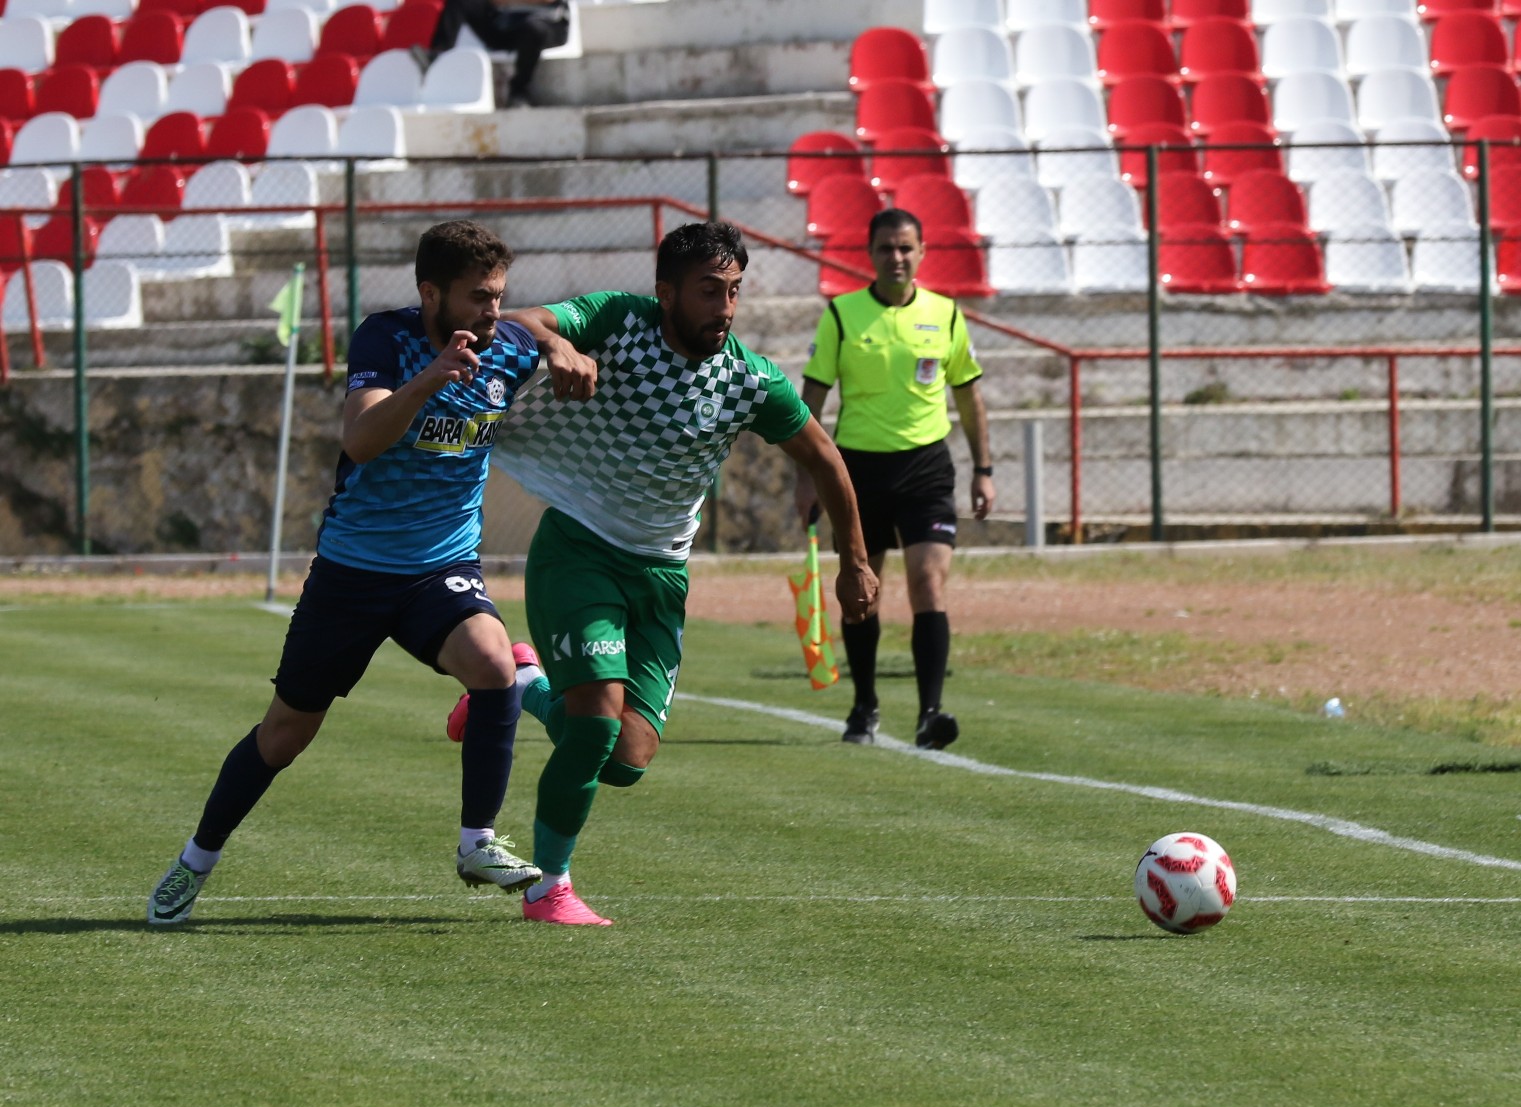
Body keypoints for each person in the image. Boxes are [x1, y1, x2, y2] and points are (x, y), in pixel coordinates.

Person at [454, 219, 879, 926]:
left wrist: (854, 562)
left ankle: (519, 685)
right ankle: (548, 887)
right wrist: (558, 346)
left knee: (626, 757)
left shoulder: (748, 378)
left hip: (660, 575)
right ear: (666, 292)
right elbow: (523, 321)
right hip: (579, 548)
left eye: (734, 290)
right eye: (709, 290)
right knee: (595, 726)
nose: (725, 306)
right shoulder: (620, 320)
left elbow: (824, 457)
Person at [147, 220, 544, 927]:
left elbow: (548, 324)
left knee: (494, 665)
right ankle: (195, 861)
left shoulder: (509, 346)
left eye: (498, 296)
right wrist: (428, 379)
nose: (492, 311)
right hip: (353, 572)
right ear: (431, 294)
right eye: (478, 297)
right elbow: (360, 440)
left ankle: (476, 843)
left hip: (440, 567)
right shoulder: (384, 338)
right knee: (284, 735)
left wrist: (563, 347)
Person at [796, 207, 994, 751]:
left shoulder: (946, 314)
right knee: (861, 593)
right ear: (870, 254)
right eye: (886, 248)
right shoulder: (842, 315)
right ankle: (864, 706)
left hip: (926, 469)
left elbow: (969, 396)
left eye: (906, 247)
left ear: (923, 252)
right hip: (857, 472)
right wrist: (808, 475)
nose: (897, 257)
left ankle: (930, 714)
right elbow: (811, 399)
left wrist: (983, 470)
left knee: (928, 583)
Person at [416, 0, 569, 109]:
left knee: (533, 30)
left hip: (547, 25)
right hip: (507, 25)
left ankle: (519, 91)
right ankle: (438, 54)